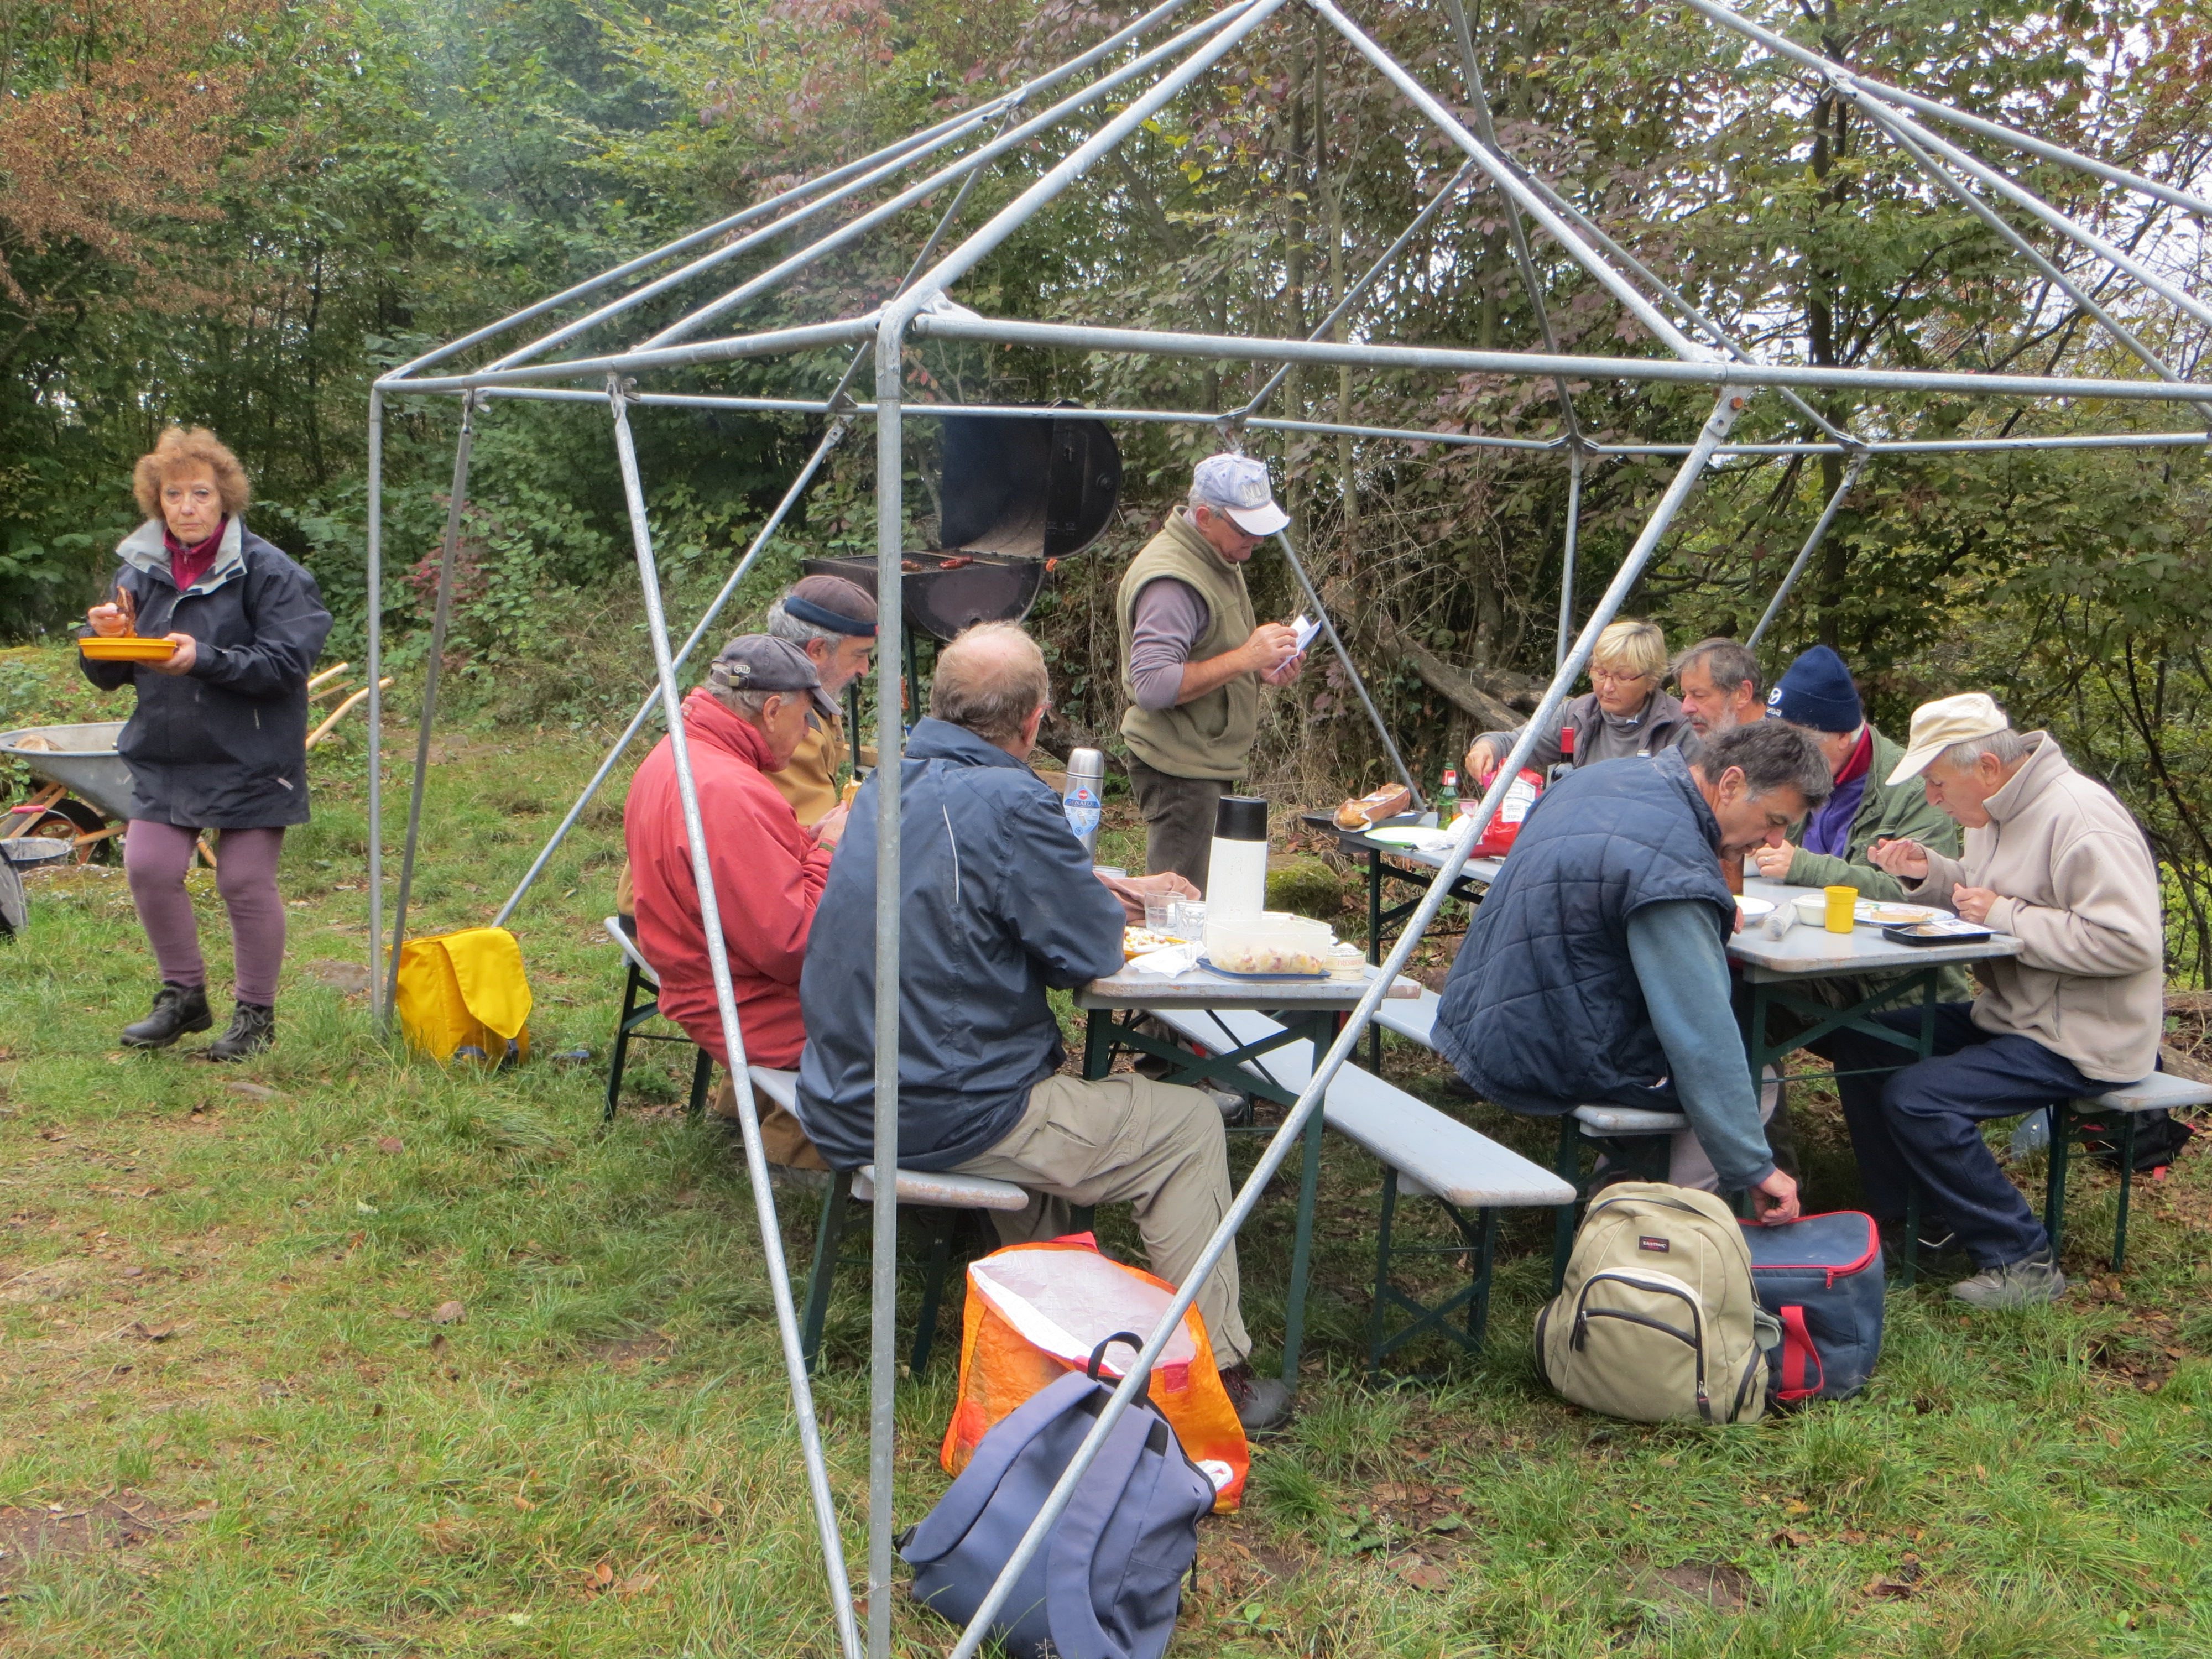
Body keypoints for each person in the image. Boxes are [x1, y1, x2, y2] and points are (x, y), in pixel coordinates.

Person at [796, 622, 1290, 1431]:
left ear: (937, 705)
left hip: (844, 1092)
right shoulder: (1014, 800)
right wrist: (1098, 895)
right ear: (1032, 722)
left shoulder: (883, 787)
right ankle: (1213, 1376)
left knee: (1056, 1106)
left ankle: (1059, 1335)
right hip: (946, 1107)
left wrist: (1081, 887)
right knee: (1190, 1124)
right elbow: (1088, 951)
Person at [1819, 695, 2163, 1308]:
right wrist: (1929, 872)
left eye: (1937, 782)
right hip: (2014, 1017)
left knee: (1920, 1097)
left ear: (1986, 767)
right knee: (1864, 1040)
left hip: (2083, 1036)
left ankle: (2022, 1259)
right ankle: (1922, 1225)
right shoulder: (1994, 810)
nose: (1932, 798)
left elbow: (2128, 942)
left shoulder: (2081, 817)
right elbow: (1985, 895)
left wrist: (2006, 915)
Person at [1434, 721, 1834, 1214]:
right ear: (1730, 783)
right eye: (1773, 820)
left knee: (1668, 1047)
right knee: (1757, 1080)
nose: (1774, 840)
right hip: (1541, 1049)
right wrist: (1752, 1166)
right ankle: (1652, 1226)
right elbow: (1700, 1031)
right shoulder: (1675, 871)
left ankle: (1622, 1180)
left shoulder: (1598, 778)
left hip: (1479, 1007)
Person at [80, 426, 332, 1060]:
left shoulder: (270, 571)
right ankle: (184, 997)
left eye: (200, 493)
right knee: (148, 867)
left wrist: (205, 658)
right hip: (168, 750)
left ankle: (255, 1017)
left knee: (243, 882)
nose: (187, 506)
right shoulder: (138, 571)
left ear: (225, 498)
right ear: (156, 501)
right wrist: (105, 640)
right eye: (173, 494)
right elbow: (110, 674)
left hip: (253, 753)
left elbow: (287, 663)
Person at [625, 635, 849, 1168]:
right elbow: (795, 946)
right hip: (742, 1001)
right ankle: (806, 1163)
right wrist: (831, 852)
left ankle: (753, 1127)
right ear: (771, 710)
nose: (806, 734)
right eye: (804, 718)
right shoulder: (729, 790)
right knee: (911, 1015)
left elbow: (739, 871)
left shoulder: (681, 751)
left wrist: (805, 841)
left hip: (707, 977)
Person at [1117, 453, 1307, 889]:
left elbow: (1211, 649)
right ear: (1205, 517)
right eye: (1245, 529)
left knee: (1201, 902)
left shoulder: (1217, 555)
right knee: (1176, 907)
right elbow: (1152, 685)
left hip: (1203, 763)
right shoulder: (1172, 582)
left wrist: (1260, 670)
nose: (1257, 540)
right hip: (1180, 771)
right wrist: (1246, 658)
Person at [1750, 645, 1959, 898]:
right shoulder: (1787, 771)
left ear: (1843, 737)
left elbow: (1926, 894)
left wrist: (1808, 868)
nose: (1783, 756)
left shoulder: (1915, 789)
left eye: (1798, 745)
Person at [1464, 618, 1691, 785]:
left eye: (1622, 677)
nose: (1607, 687)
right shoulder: (1578, 714)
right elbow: (1512, 744)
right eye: (1600, 672)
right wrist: (1487, 747)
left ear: (1652, 680)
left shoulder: (1678, 726)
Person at [763, 574, 878, 827]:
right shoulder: (790, 726)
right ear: (817, 650)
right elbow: (811, 838)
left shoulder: (804, 696)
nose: (865, 669)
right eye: (859, 655)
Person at [1673, 637, 1764, 738]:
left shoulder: (1776, 746)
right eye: (1684, 695)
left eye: (1699, 695)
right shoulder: (1692, 740)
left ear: (1743, 695)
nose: (1685, 708)